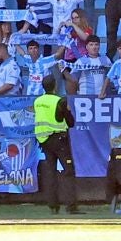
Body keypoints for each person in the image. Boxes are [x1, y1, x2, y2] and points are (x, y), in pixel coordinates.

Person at [32, 76, 77, 214]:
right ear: (55, 86)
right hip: (59, 139)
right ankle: (71, 206)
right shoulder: (60, 101)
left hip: (43, 141)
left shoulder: (37, 101)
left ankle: (53, 206)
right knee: (68, 171)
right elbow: (71, 123)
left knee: (50, 172)